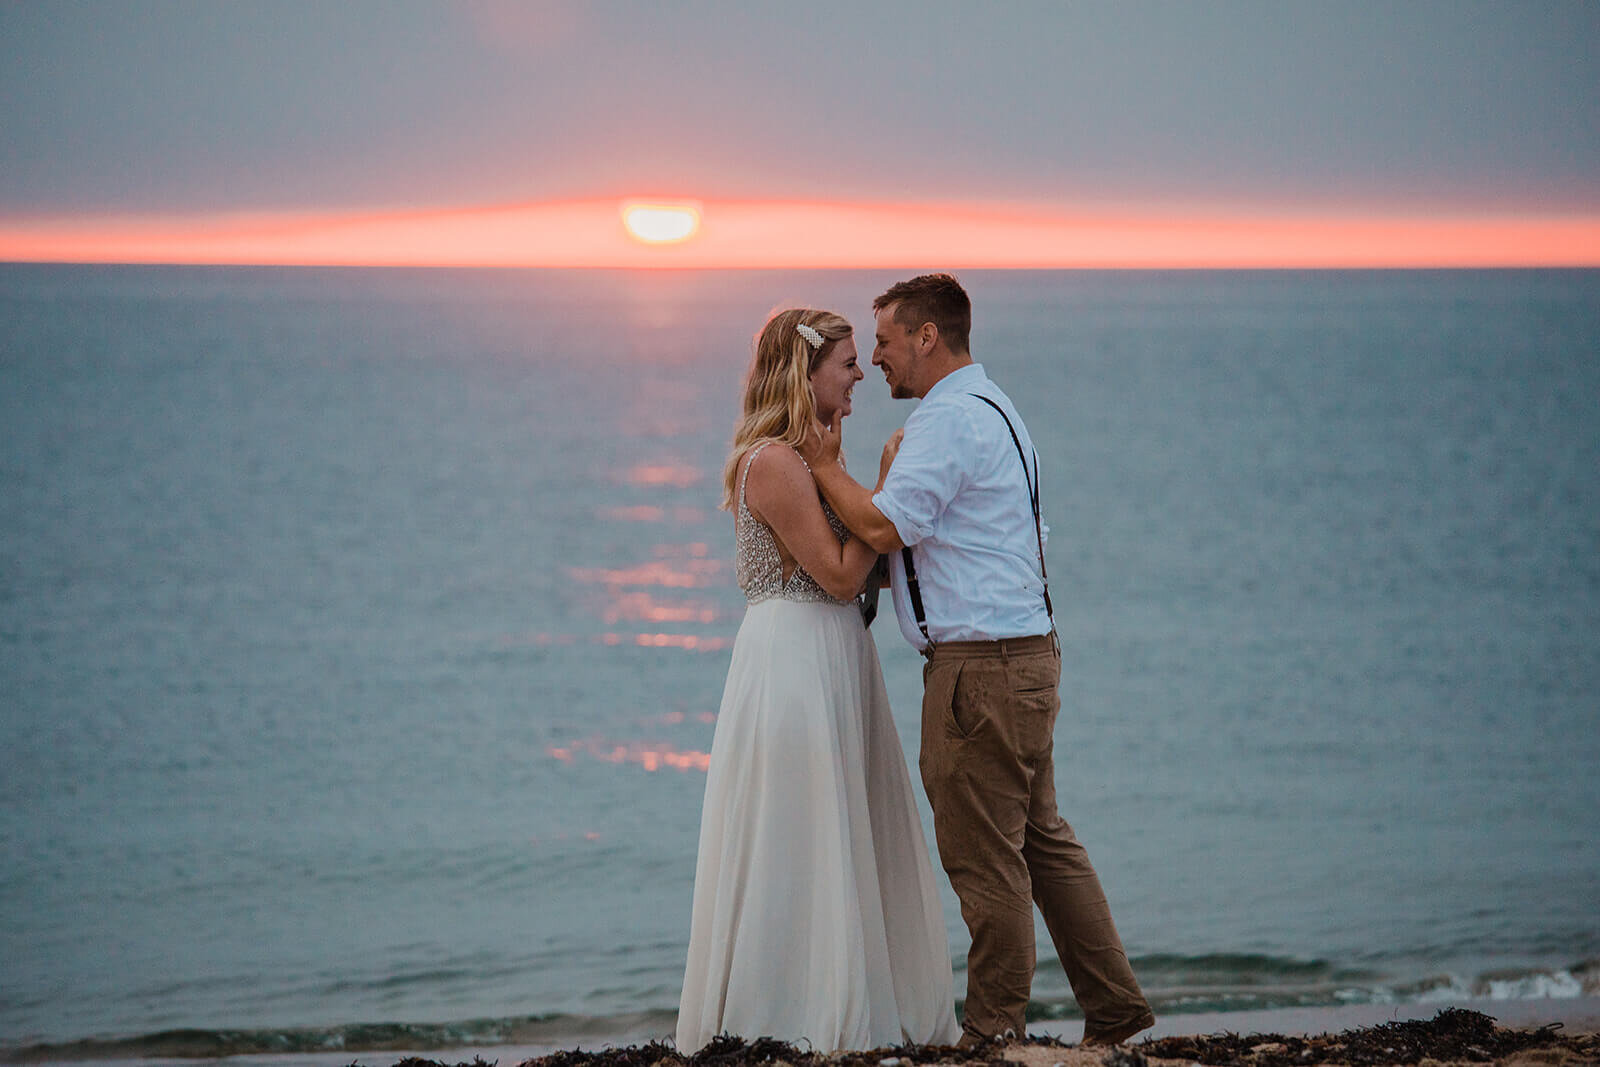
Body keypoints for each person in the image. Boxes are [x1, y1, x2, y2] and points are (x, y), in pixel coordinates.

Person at [799, 275, 1155, 1048]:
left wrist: (828, 469)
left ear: (928, 336)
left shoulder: (950, 419)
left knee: (982, 856)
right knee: (1040, 839)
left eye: (886, 342)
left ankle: (993, 1031)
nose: (878, 363)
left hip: (980, 672)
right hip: (1026, 655)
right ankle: (1116, 1007)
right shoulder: (996, 408)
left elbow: (889, 526)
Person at [675, 308, 960, 1053]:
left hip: (834, 655)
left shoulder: (806, 460)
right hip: (794, 660)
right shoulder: (773, 462)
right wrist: (884, 497)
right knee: (799, 833)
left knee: (846, 824)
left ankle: (862, 1001)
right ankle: (790, 1014)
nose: (860, 372)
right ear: (804, 374)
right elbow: (837, 576)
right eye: (844, 362)